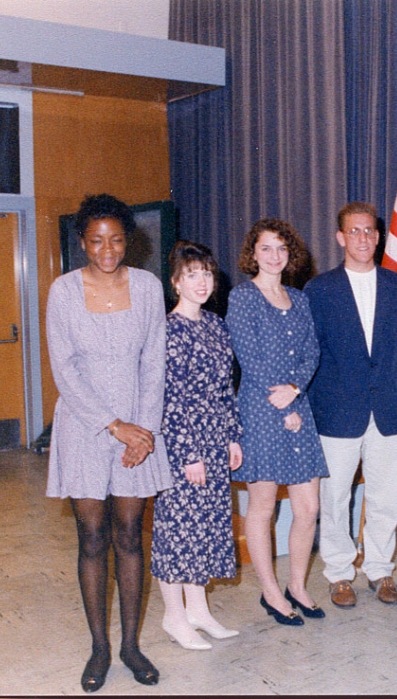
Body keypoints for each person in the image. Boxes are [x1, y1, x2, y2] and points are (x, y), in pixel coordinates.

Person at [46, 193, 171, 692]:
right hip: (85, 424)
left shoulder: (147, 286)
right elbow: (65, 370)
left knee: (130, 534)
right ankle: (99, 646)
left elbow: (155, 364)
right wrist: (114, 425)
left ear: (129, 241)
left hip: (139, 426)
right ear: (82, 242)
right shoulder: (62, 291)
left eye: (117, 239)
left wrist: (143, 431)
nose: (107, 249)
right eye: (96, 240)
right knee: (93, 538)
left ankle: (131, 645)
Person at [304, 201, 397, 608]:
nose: (363, 238)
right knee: (334, 497)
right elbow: (311, 354)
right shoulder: (320, 289)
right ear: (340, 237)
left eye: (370, 231)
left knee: (386, 495)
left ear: (378, 235)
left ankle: (381, 569)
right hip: (337, 412)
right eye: (354, 231)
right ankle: (338, 573)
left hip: (387, 410)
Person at [226, 218, 329, 626]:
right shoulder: (242, 297)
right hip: (261, 409)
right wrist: (283, 401)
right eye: (266, 248)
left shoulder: (299, 299)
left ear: (291, 255)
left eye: (282, 249)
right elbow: (249, 357)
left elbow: (312, 352)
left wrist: (295, 390)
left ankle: (297, 585)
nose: (274, 256)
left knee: (308, 507)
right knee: (263, 505)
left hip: (296, 404)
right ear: (253, 254)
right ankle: (270, 592)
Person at [150, 241, 243, 650]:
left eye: (207, 273)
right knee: (178, 529)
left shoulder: (215, 325)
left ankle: (198, 609)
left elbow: (226, 389)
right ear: (175, 282)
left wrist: (232, 435)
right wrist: (188, 453)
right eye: (192, 274)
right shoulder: (167, 330)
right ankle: (173, 615)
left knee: (205, 526)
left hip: (214, 436)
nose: (202, 281)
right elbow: (168, 396)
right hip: (182, 441)